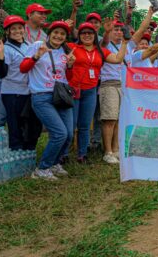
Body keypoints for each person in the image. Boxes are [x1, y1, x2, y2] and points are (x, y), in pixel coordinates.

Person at [20, 21, 77, 180]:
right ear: (50, 33)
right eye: (56, 32)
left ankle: (55, 163)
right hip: (42, 96)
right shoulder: (38, 45)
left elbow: (67, 77)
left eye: (62, 34)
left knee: (68, 134)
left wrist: (70, 66)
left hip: (61, 95)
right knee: (59, 133)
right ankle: (42, 168)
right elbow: (23, 68)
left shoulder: (65, 51)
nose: (58, 36)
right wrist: (37, 56)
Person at [66, 22, 128, 163]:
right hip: (73, 90)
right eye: (84, 33)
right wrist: (65, 26)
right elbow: (56, 43)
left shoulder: (100, 51)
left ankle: (82, 155)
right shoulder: (72, 47)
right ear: (79, 35)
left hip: (90, 91)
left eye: (90, 33)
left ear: (94, 35)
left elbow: (118, 59)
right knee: (71, 124)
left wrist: (124, 43)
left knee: (85, 124)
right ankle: (63, 155)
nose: (87, 35)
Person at [0, 15, 40, 150]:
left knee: (28, 123)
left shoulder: (28, 45)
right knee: (15, 124)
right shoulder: (6, 48)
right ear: (7, 31)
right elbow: (1, 74)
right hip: (12, 92)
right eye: (13, 29)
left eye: (20, 28)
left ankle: (27, 150)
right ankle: (16, 150)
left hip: (28, 91)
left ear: (24, 29)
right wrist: (0, 56)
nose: (17, 31)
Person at [98, 20, 132, 164]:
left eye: (120, 30)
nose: (118, 32)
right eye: (115, 29)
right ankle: (108, 152)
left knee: (118, 119)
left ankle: (116, 149)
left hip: (122, 85)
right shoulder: (104, 44)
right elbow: (103, 43)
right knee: (109, 119)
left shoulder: (125, 45)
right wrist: (106, 32)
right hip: (109, 84)